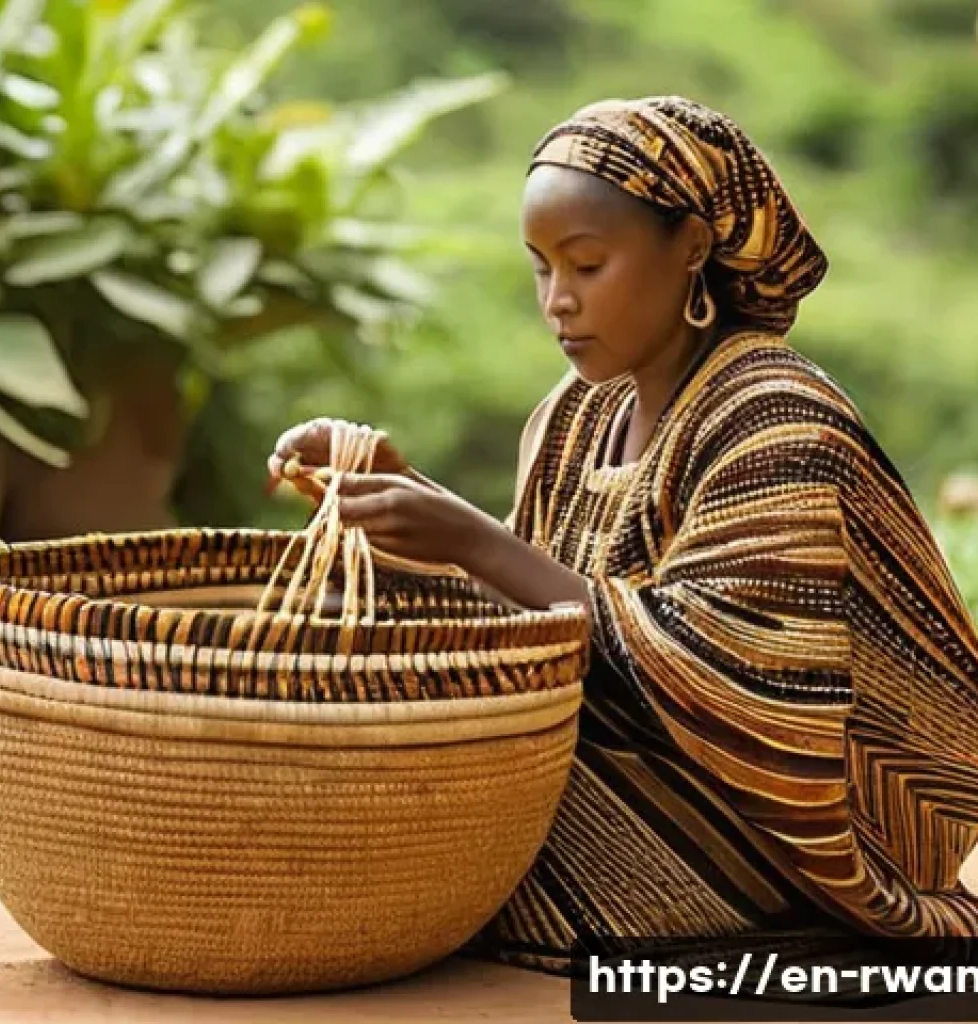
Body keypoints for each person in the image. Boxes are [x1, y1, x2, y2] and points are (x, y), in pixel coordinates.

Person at [267, 96, 978, 979]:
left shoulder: (774, 420)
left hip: (794, 833)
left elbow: (730, 684)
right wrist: (387, 485)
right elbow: (539, 624)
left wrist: (469, 539)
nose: (557, 301)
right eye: (539, 269)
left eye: (588, 264)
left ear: (689, 248)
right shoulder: (577, 415)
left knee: (408, 812)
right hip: (638, 765)